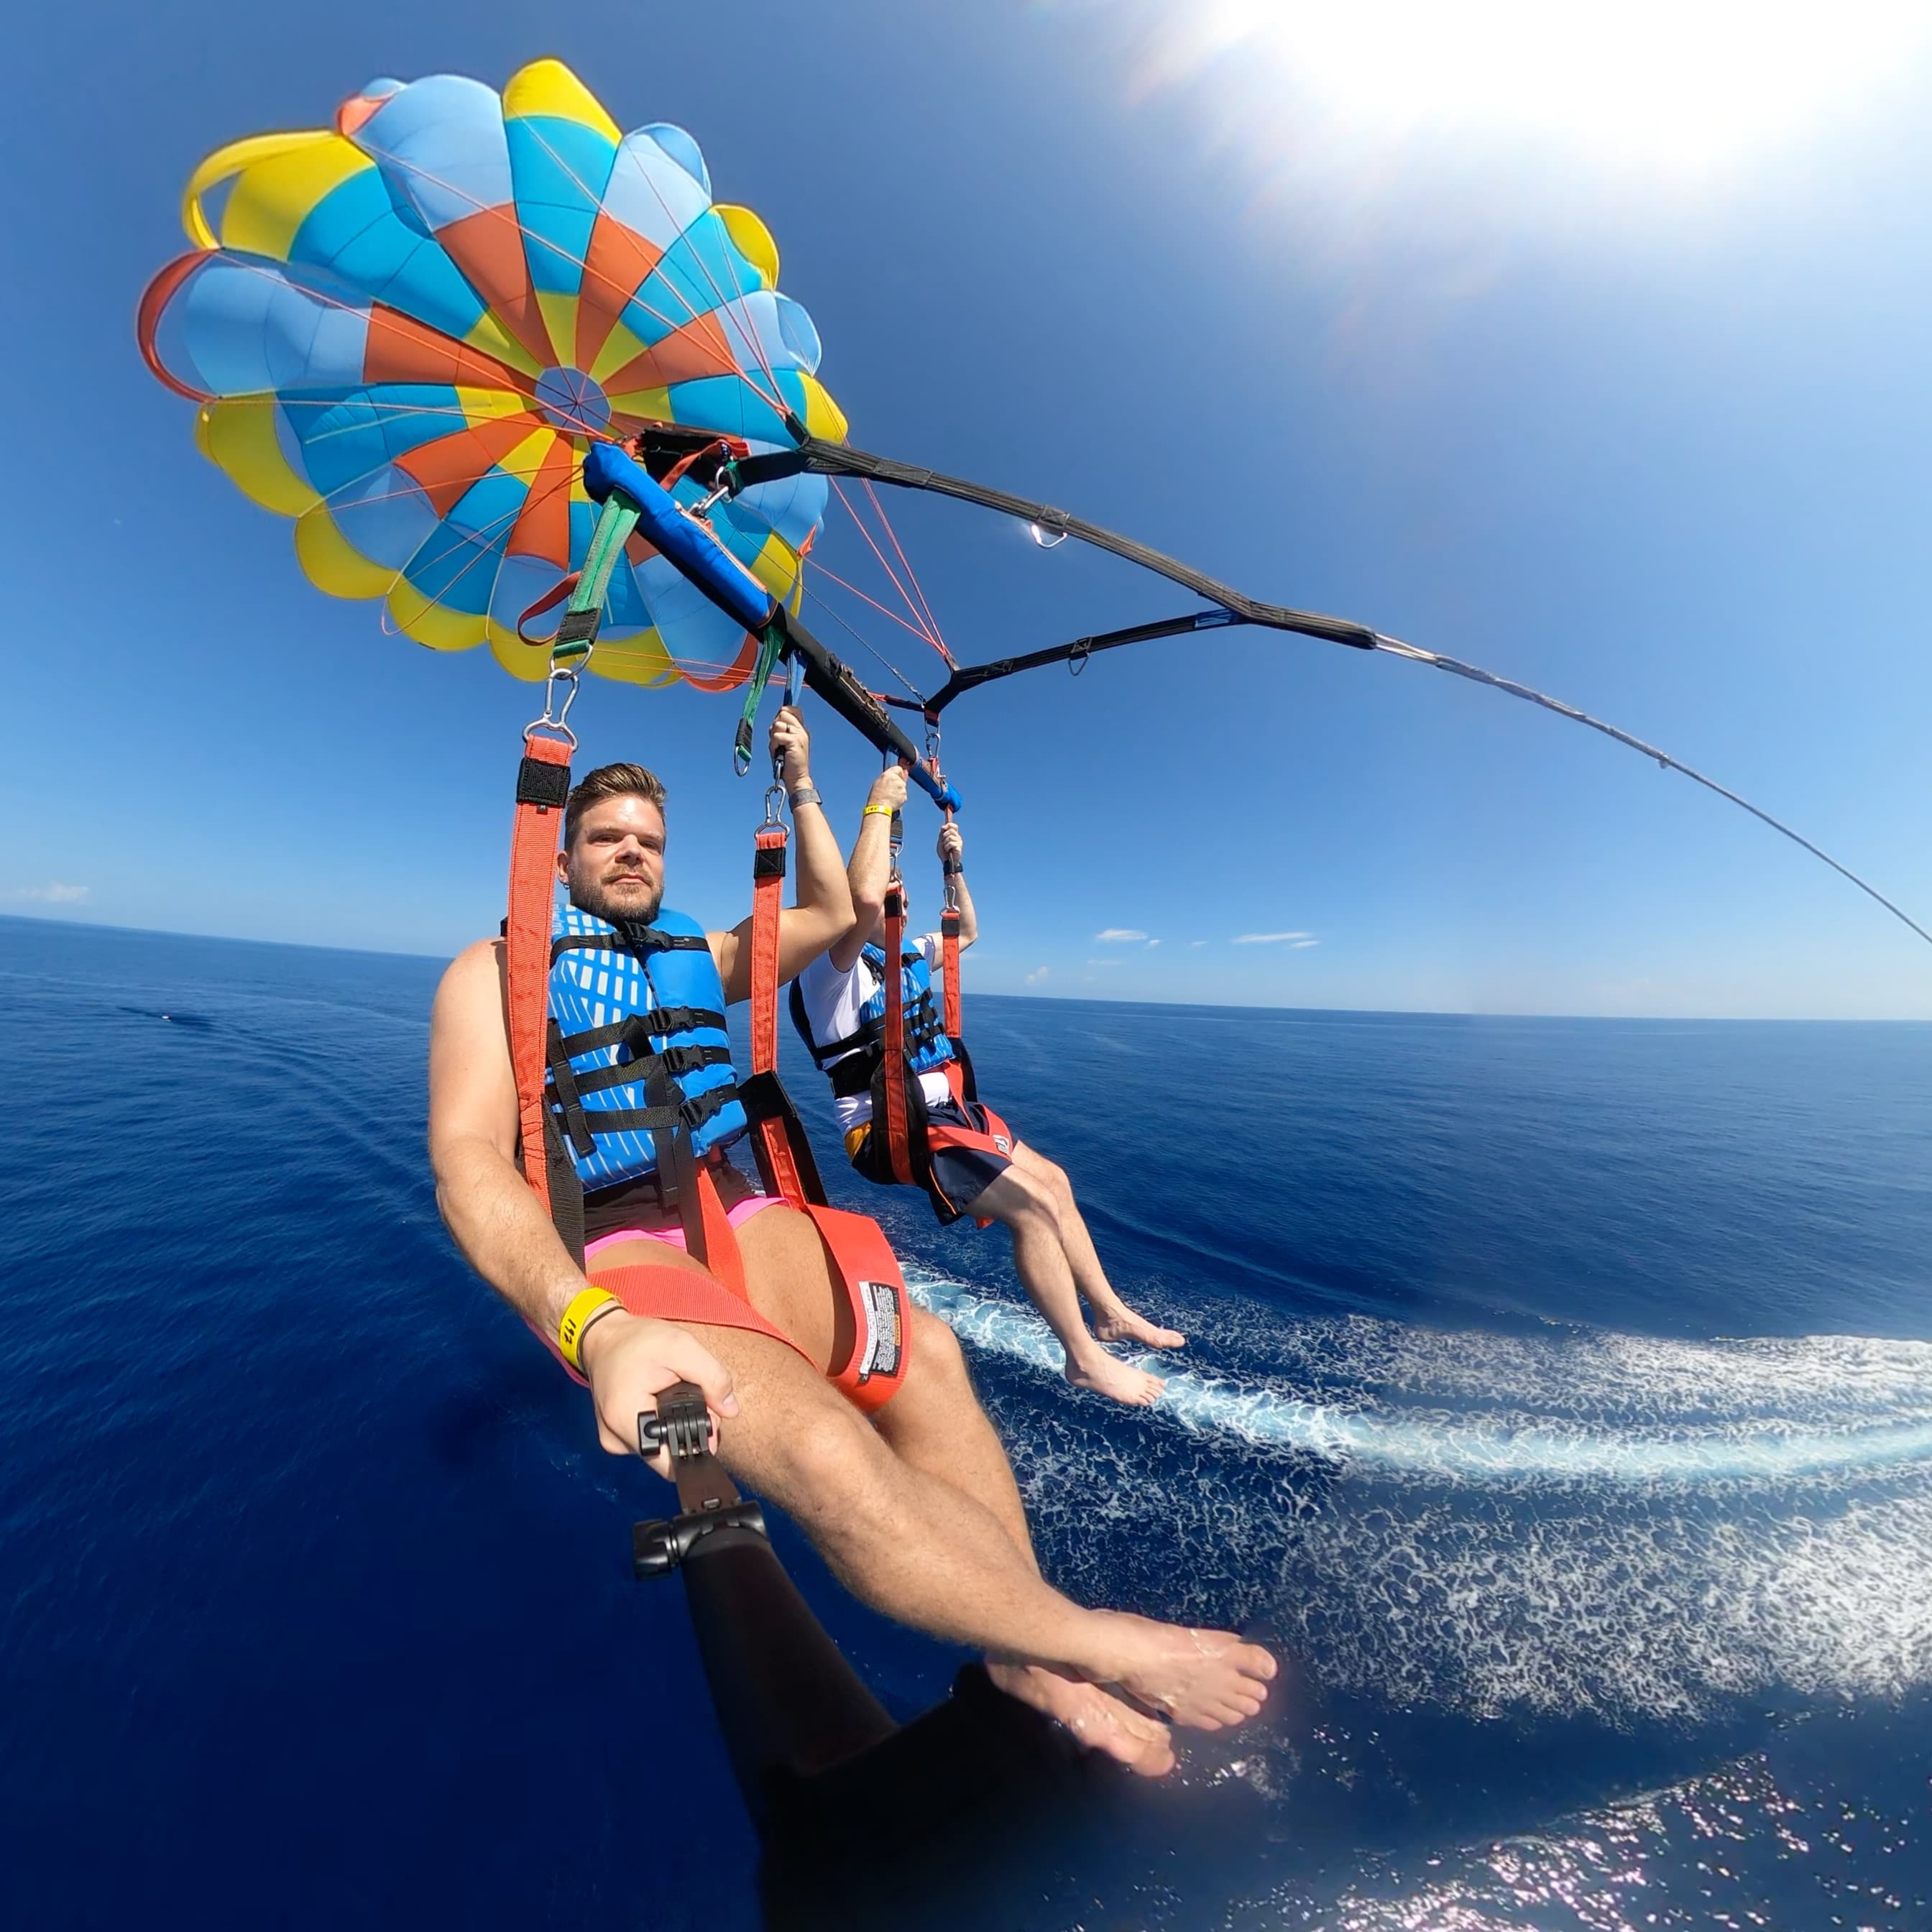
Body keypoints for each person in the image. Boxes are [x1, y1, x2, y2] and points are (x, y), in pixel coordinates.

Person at [428, 709, 1276, 1777]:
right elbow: (465, 1165)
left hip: (737, 1206)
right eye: (607, 839)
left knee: (932, 1359)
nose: (632, 852)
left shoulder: (704, 954)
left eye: (648, 839)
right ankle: (1089, 1643)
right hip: (618, 1236)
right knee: (825, 1446)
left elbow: (836, 910)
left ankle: (1022, 1657)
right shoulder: (497, 972)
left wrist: (803, 784)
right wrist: (590, 1328)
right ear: (562, 859)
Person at [791, 764, 1185, 1409]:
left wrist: (953, 868)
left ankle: (1110, 1313)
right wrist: (879, 807)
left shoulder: (904, 955)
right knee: (1032, 1212)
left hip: (949, 1110)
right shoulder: (827, 975)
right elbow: (858, 901)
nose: (892, 893)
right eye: (886, 884)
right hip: (892, 1130)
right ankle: (1083, 1359)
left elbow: (966, 931)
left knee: (1055, 1182)